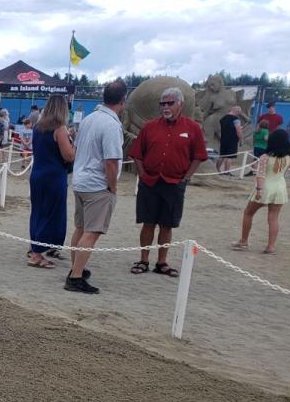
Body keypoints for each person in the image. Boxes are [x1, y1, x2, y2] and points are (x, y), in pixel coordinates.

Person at [126, 87, 208, 278]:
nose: (165, 107)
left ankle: (162, 262)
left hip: (174, 183)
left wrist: (186, 177)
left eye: (170, 103)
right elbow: (137, 153)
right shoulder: (150, 127)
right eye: (162, 103)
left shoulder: (192, 128)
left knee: (167, 224)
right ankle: (143, 259)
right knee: (148, 223)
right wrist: (143, 174)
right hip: (150, 182)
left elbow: (199, 155)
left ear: (181, 104)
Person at [65, 79, 127, 294]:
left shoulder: (90, 119)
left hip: (81, 181)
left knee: (81, 228)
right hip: (97, 185)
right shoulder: (111, 125)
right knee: (91, 232)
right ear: (122, 101)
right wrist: (113, 187)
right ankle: (75, 276)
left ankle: (76, 269)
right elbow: (111, 161)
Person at [25, 95, 76, 269]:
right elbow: (68, 156)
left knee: (38, 211)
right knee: (52, 213)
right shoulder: (59, 129)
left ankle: (37, 248)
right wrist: (74, 143)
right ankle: (38, 254)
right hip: (53, 176)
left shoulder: (38, 127)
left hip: (38, 174)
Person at [232, 128, 288, 254]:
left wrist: (259, 190)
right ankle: (271, 246)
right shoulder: (288, 157)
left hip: (266, 187)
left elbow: (261, 175)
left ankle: (244, 241)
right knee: (273, 218)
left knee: (248, 213)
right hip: (280, 187)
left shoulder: (265, 157)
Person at [215, 106, 243, 174]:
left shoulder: (223, 118)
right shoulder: (236, 119)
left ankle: (217, 170)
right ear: (236, 111)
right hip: (232, 139)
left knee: (222, 155)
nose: (239, 114)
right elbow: (238, 130)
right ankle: (226, 171)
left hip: (223, 139)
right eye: (239, 112)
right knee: (230, 156)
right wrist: (241, 139)